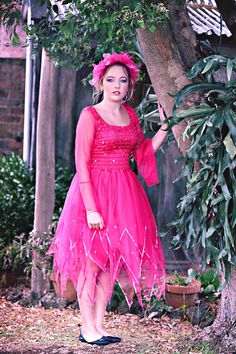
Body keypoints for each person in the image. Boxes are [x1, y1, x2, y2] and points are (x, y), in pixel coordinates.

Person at [47, 52, 168, 346]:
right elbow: (81, 163)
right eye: (110, 80)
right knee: (90, 264)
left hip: (124, 194)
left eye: (122, 81)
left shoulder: (130, 115)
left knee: (110, 263)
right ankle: (87, 328)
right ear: (100, 83)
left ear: (129, 86)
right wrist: (91, 209)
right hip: (94, 193)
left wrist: (164, 129)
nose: (116, 86)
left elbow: (140, 154)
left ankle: (99, 326)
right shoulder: (90, 115)